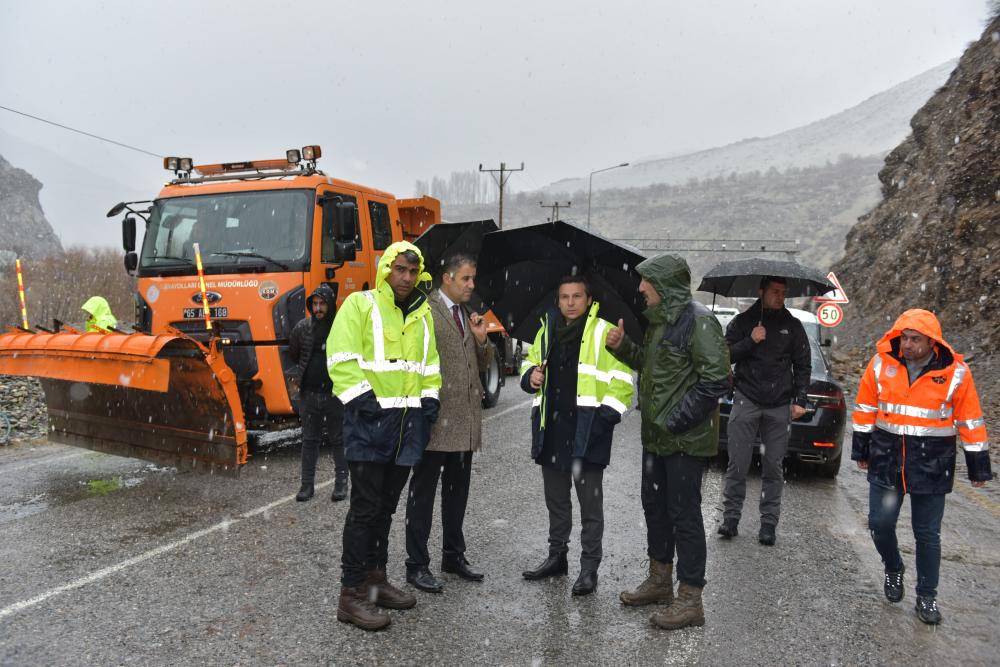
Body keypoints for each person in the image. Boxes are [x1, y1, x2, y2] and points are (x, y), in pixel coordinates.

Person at [606, 254, 730, 630]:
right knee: (655, 508)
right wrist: (624, 347)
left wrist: (675, 421)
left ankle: (691, 599)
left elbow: (717, 380)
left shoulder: (699, 321)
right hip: (656, 439)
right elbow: (651, 365)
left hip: (683, 442)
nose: (640, 289)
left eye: (647, 282)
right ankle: (660, 582)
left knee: (685, 516)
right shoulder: (659, 323)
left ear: (665, 285)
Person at [327, 241, 441, 632]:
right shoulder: (360, 305)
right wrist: (367, 405)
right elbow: (339, 358)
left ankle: (375, 581)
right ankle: (350, 593)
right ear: (386, 271)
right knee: (364, 510)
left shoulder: (423, 314)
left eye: (413, 271)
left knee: (386, 509)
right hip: (369, 427)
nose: (407, 278)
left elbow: (429, 367)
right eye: (400, 270)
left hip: (406, 430)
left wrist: (429, 406)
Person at [851, 308, 991, 625]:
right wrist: (862, 448)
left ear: (932, 341)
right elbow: (864, 408)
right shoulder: (881, 364)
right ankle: (893, 567)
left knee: (927, 535)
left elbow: (970, 419)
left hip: (932, 463)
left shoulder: (956, 373)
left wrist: (978, 466)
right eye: (904, 338)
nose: (908, 344)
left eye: (915, 339)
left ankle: (927, 596)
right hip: (887, 458)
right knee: (879, 524)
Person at [519, 276, 634, 596]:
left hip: (588, 430)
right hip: (552, 429)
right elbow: (528, 368)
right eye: (564, 297)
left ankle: (589, 568)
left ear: (588, 299)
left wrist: (602, 423)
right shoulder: (547, 330)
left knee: (590, 506)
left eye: (576, 296)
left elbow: (622, 383)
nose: (570, 303)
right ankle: (557, 557)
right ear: (557, 301)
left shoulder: (604, 332)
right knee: (556, 501)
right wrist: (532, 376)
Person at [404, 253, 495, 593]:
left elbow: (481, 365)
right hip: (434, 423)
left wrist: (481, 338)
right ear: (447, 278)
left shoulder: (465, 314)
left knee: (457, 495)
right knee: (422, 496)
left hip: (465, 423)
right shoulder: (426, 312)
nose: (472, 285)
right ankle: (417, 564)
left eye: (473, 279)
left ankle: (453, 556)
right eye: (466, 279)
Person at [717, 276, 811, 545]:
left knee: (773, 467)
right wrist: (750, 340)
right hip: (746, 399)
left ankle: (768, 524)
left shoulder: (792, 326)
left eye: (783, 292)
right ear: (762, 291)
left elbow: (803, 365)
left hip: (779, 405)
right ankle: (730, 520)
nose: (780, 296)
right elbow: (723, 356)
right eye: (775, 292)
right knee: (737, 464)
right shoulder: (743, 321)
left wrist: (800, 400)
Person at [287, 284, 348, 503]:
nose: (319, 308)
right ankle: (306, 486)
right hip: (309, 393)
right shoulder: (302, 328)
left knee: (338, 439)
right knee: (309, 440)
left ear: (331, 305)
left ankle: (341, 483)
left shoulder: (341, 328)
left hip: (335, 393)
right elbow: (293, 353)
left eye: (322, 304)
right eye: (315, 304)